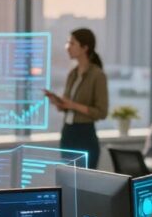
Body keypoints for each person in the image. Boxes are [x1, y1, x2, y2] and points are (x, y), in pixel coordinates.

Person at [46, 28, 109, 169]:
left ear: (84, 48)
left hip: (85, 135)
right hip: (68, 133)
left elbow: (102, 112)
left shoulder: (98, 75)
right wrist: (58, 102)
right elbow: (66, 107)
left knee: (83, 184)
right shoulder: (72, 74)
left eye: (72, 43)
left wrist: (73, 105)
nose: (68, 47)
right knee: (68, 182)